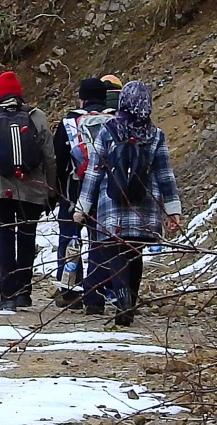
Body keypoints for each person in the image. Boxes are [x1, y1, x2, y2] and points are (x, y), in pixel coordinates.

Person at [73, 81, 183, 327]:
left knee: (114, 253)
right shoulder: (156, 135)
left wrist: (82, 207)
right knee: (135, 254)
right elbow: (165, 175)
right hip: (144, 208)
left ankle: (123, 302)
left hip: (112, 206)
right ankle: (130, 302)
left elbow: (94, 172)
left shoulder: (108, 130)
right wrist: (172, 210)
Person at [0, 71, 57, 310]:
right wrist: (50, 189)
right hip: (32, 190)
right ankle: (24, 293)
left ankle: (7, 296)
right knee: (27, 239)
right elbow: (49, 156)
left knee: (4, 241)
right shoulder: (36, 116)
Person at [51, 77, 113, 311]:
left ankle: (69, 291)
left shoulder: (69, 122)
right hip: (105, 192)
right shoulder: (113, 120)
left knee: (70, 239)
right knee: (99, 242)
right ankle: (97, 292)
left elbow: (58, 158)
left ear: (82, 98)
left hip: (73, 190)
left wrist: (57, 191)